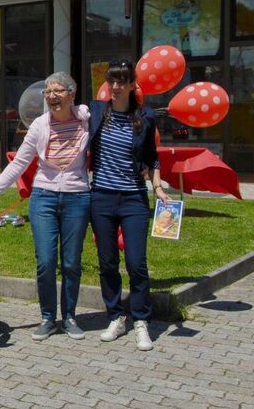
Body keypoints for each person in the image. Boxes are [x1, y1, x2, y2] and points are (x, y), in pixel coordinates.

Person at [0, 72, 90, 341]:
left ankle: (70, 316)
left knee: (72, 263)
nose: (51, 96)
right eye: (47, 92)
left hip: (77, 198)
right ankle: (48, 317)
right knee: (46, 262)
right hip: (44, 199)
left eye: (58, 91)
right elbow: (18, 165)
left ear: (72, 94)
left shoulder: (86, 120)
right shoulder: (40, 125)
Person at [88, 59, 169, 351]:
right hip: (102, 198)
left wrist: (158, 188)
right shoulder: (96, 112)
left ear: (134, 84)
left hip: (134, 197)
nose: (116, 86)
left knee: (136, 263)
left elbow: (152, 156)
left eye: (123, 81)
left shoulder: (145, 116)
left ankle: (141, 321)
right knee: (107, 262)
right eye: (112, 80)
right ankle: (115, 316)